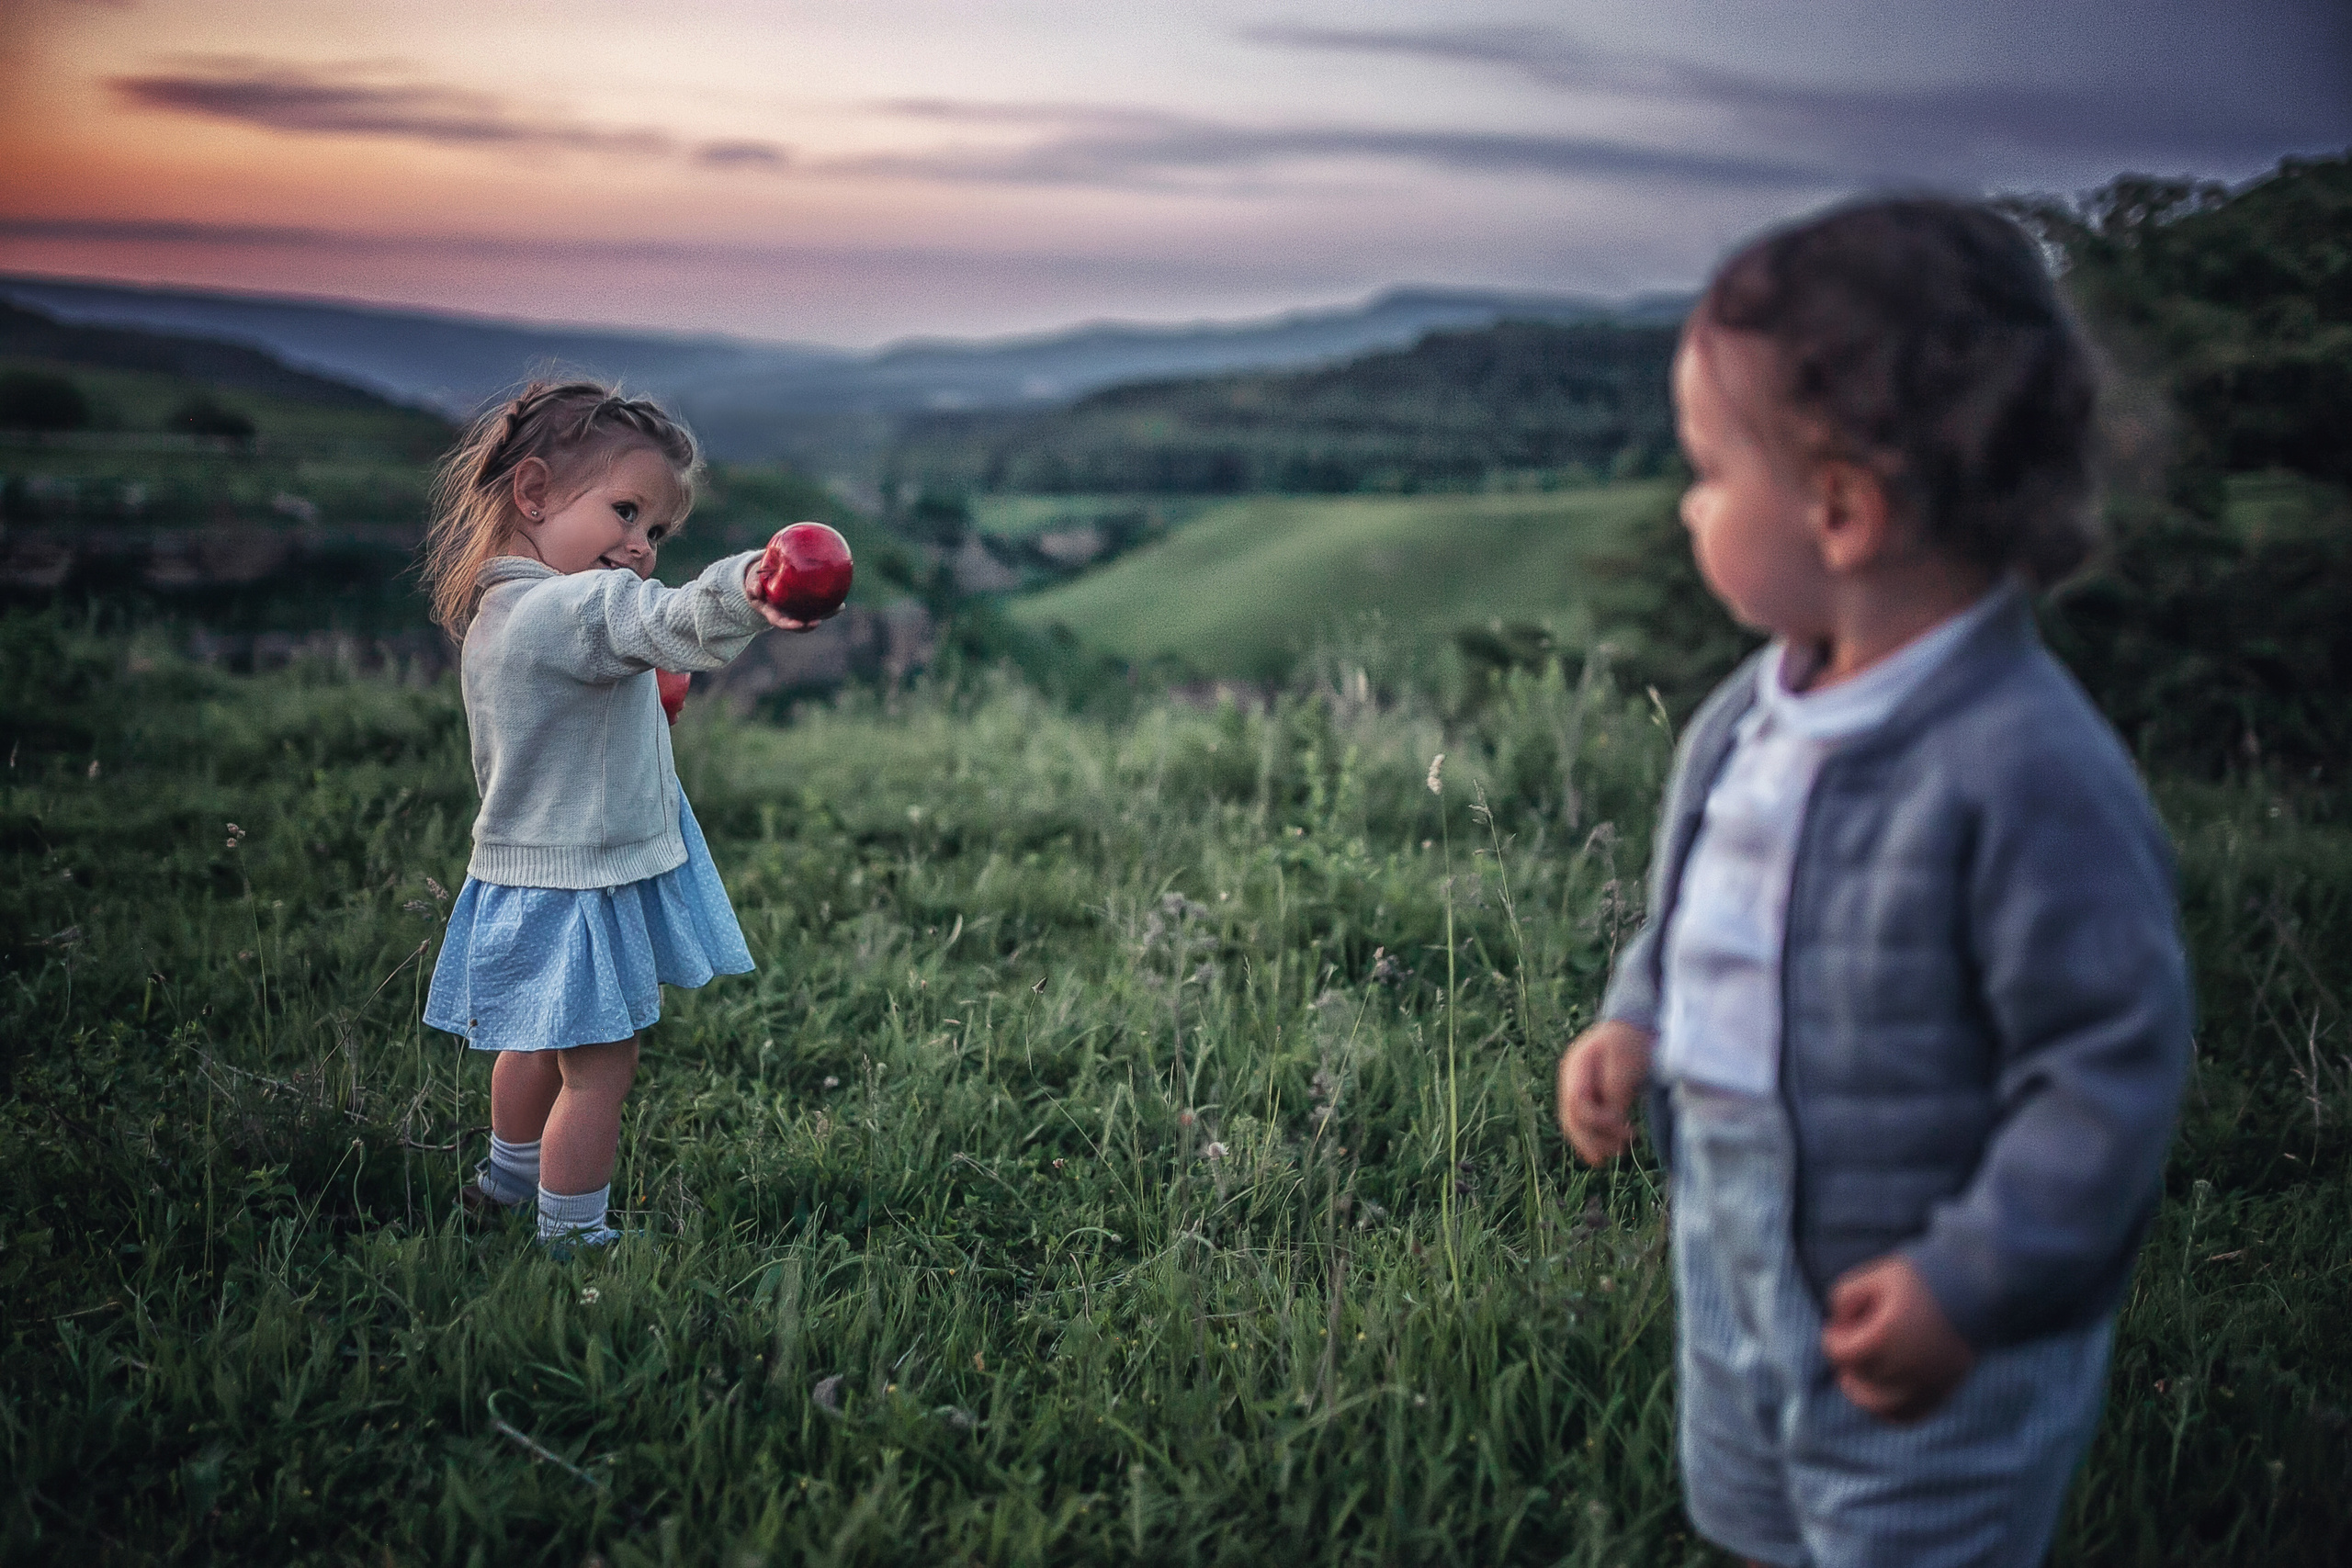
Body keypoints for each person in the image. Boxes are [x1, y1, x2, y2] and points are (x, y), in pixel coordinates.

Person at [1555, 200, 2191, 1567]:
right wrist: (1635, 1019)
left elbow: (2107, 1069)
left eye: (1710, 472)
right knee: (1754, 1515)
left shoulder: (2024, 766)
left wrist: (1970, 1278)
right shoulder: (1750, 711)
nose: (1686, 505)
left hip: (1923, 1312)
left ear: (1841, 506)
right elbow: (1702, 914)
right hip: (1732, 1244)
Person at [417, 380, 824, 1252]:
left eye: (658, 532)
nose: (641, 546)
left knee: (530, 1041)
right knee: (601, 1067)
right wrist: (752, 585)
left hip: (520, 869)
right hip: (580, 877)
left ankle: (504, 1182)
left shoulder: (505, 611)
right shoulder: (573, 609)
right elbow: (663, 617)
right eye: (627, 511)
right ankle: (574, 1236)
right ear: (532, 494)